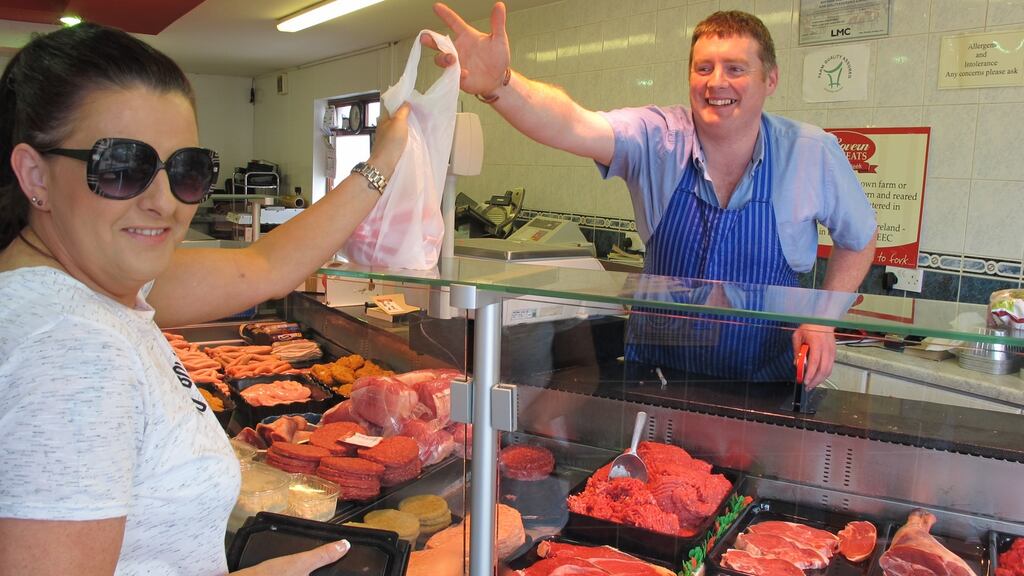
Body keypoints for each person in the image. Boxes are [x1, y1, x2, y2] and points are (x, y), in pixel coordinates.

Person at [0, 23, 409, 576]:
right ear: (33, 174)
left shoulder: (82, 290)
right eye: (123, 167)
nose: (164, 202)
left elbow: (265, 266)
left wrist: (388, 154)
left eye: (187, 171)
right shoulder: (72, 348)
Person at [424, 3, 877, 388]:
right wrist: (501, 83)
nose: (716, 82)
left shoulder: (810, 152)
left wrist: (822, 319)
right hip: (660, 377)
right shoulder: (658, 138)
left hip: (767, 379)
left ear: (770, 79)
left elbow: (859, 239)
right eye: (704, 68)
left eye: (736, 68)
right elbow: (573, 124)